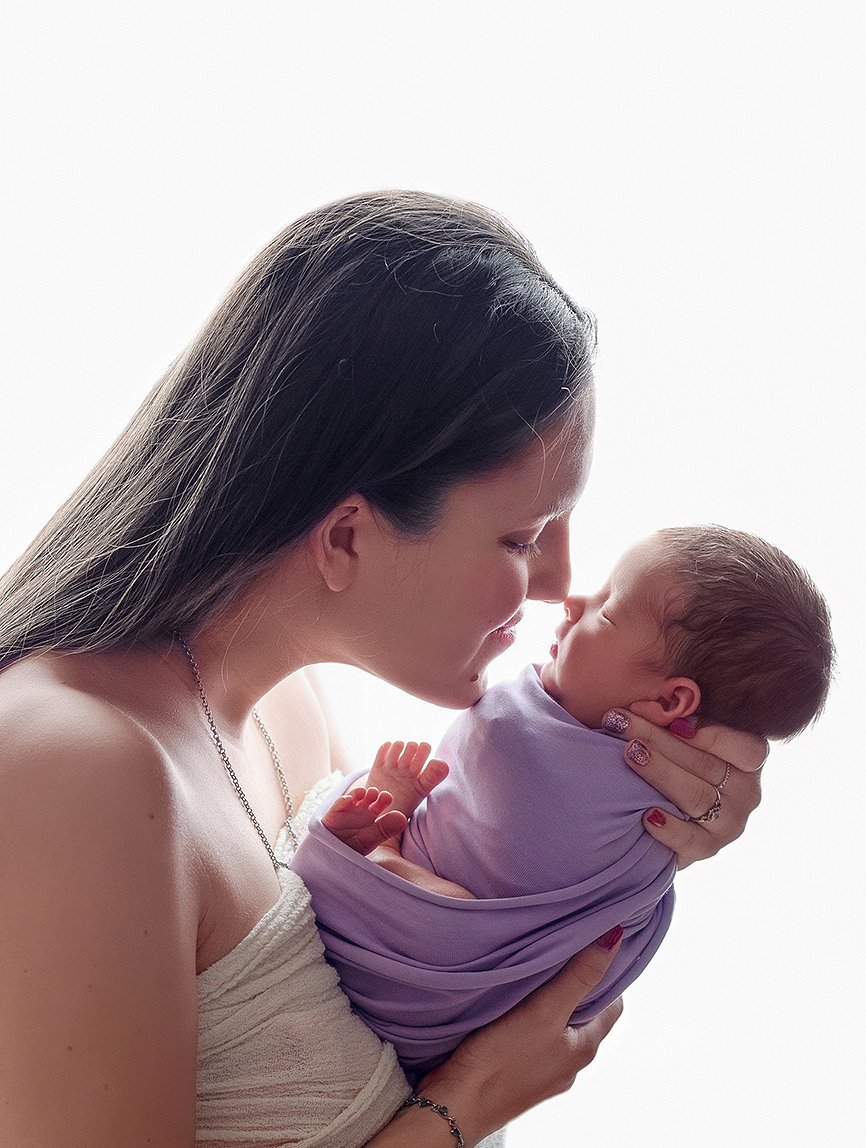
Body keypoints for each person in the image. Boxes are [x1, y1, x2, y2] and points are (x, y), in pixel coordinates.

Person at [0, 191, 765, 1148]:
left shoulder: (289, 711)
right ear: (347, 537)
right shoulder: (79, 770)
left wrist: (631, 830)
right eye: (523, 537)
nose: (557, 585)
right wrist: (468, 1105)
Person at [300, 523, 833, 1076]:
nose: (572, 599)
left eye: (608, 610)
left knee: (446, 916)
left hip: (425, 985)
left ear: (672, 700)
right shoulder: (680, 804)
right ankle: (387, 849)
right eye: (516, 537)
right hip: (453, 1045)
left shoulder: (523, 736)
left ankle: (383, 854)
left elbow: (502, 745)